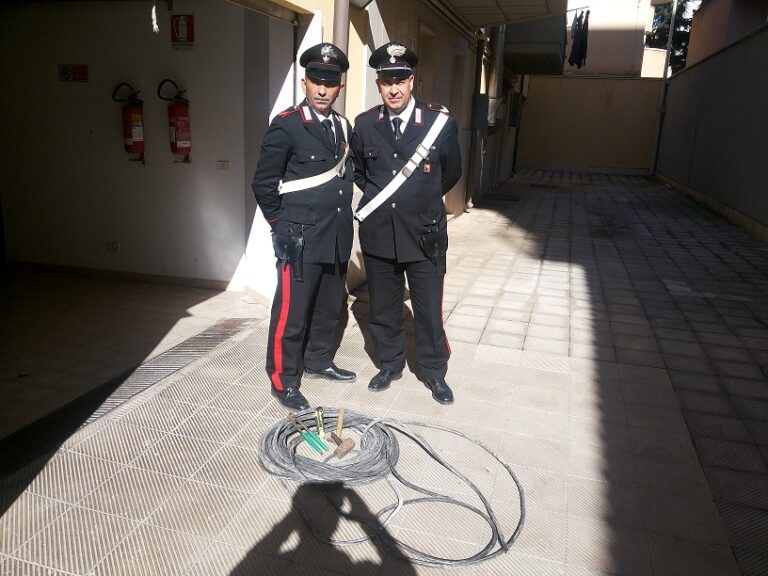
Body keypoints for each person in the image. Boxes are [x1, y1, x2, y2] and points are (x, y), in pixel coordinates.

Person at [351, 42, 461, 404]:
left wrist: (420, 202)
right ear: (379, 84)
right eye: (386, 81)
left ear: (411, 81)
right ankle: (390, 364)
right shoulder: (365, 124)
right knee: (383, 307)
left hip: (424, 233)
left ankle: (433, 372)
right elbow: (360, 174)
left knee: (428, 309)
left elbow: (451, 173)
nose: (393, 88)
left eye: (400, 79)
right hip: (380, 234)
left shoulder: (438, 122)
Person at [252, 43, 357, 411]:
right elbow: (263, 183)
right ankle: (283, 378)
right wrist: (281, 227)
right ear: (305, 83)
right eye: (316, 81)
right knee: (292, 312)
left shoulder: (344, 126)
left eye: (331, 82)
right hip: (299, 236)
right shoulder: (287, 125)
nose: (323, 89)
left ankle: (318, 361)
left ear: (339, 87)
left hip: (336, 235)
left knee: (329, 307)